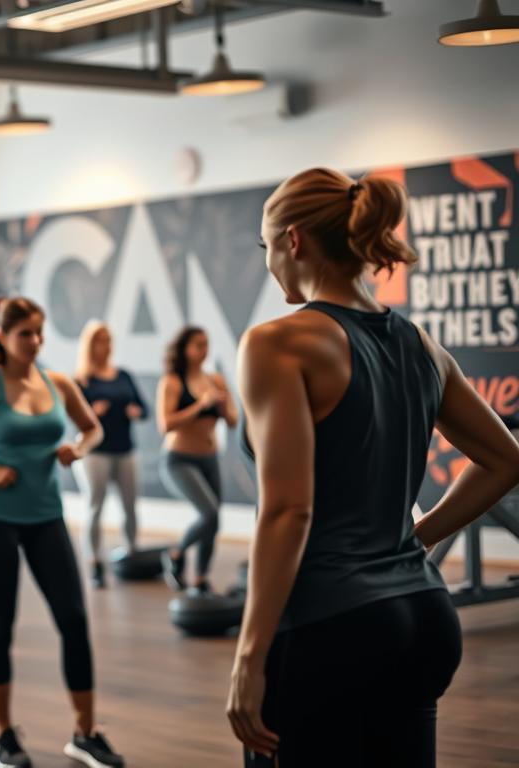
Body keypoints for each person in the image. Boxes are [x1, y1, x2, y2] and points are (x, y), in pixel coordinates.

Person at [226, 168, 519, 767]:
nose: (268, 262)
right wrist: (417, 537)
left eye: (266, 245)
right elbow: (505, 461)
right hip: (423, 616)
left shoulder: (277, 344)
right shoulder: (420, 344)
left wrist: (249, 657)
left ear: (295, 240)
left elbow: (288, 509)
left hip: (327, 626)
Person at [0, 296, 125, 768]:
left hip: (46, 516)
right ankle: (2, 737)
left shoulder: (58, 382)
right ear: (2, 336)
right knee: (1, 625)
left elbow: (93, 428)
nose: (35, 341)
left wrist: (79, 448)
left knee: (74, 621)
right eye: (25, 334)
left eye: (39, 332)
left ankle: (85, 732)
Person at [156, 326, 238, 593]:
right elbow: (165, 424)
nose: (203, 350)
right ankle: (176, 553)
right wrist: (200, 405)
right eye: (197, 345)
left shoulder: (216, 380)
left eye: (206, 344)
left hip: (209, 458)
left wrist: (223, 406)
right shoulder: (172, 382)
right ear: (184, 349)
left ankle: (201, 578)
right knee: (209, 513)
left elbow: (233, 421)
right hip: (179, 460)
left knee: (213, 522)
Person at [72, 320, 148, 588]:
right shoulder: (81, 381)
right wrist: (93, 414)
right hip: (95, 452)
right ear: (90, 345)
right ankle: (94, 562)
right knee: (95, 506)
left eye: (108, 340)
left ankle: (131, 553)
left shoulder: (124, 375)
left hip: (125, 449)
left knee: (130, 505)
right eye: (100, 340)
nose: (105, 346)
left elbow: (144, 408)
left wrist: (136, 412)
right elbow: (73, 419)